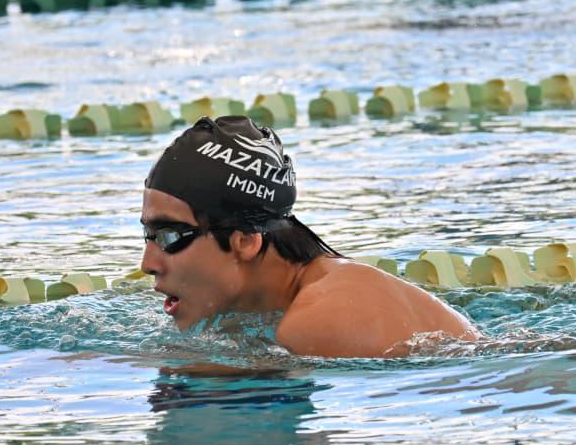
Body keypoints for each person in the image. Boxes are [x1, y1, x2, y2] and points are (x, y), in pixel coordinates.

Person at [140, 115, 481, 357]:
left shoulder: (318, 319)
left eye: (170, 236)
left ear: (244, 240)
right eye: (147, 234)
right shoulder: (299, 298)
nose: (147, 263)